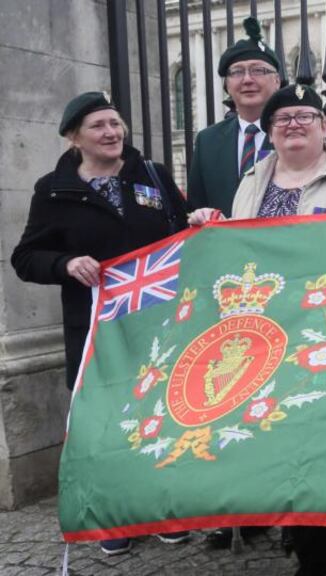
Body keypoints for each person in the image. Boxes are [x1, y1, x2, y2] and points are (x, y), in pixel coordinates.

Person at [190, 84, 326, 576]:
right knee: (294, 449)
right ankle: (313, 556)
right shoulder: (252, 179)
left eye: (305, 117)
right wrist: (211, 226)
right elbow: (241, 253)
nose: (294, 125)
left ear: (324, 127)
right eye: (283, 120)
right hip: (273, 339)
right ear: (270, 132)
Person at [12, 91, 191, 556]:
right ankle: (114, 515)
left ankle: (164, 508)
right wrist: (67, 263)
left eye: (115, 123)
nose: (112, 133)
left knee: (161, 413)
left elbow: (184, 238)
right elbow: (26, 258)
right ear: (75, 137)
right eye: (98, 126)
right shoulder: (54, 189)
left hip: (157, 322)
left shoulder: (151, 175)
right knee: (108, 424)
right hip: (96, 329)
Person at [187, 17, 280, 216]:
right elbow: (196, 206)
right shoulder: (207, 141)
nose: (247, 79)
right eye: (237, 72)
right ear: (227, 85)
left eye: (258, 70)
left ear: (277, 81)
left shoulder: (300, 133)